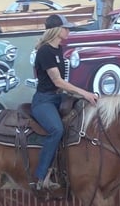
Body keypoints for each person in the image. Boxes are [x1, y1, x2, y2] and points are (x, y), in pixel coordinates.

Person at [30, 13, 99, 193]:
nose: (68, 30)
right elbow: (58, 82)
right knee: (57, 129)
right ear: (56, 30)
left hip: (58, 97)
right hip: (44, 100)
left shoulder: (58, 49)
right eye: (66, 27)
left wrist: (84, 97)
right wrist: (85, 92)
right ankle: (40, 175)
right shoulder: (45, 51)